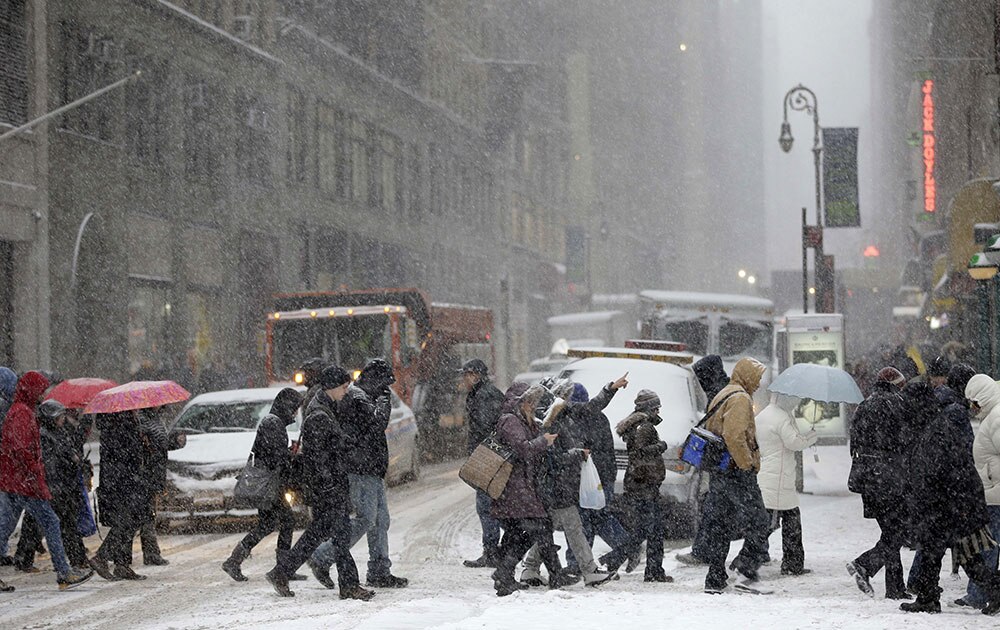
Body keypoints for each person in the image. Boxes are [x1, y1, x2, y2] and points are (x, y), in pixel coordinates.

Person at [265, 367, 372, 600]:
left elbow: (328, 446)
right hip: (328, 487)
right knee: (341, 537)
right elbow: (319, 457)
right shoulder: (319, 415)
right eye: (344, 387)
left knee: (317, 533)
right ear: (331, 387)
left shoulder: (323, 408)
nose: (347, 391)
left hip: (326, 485)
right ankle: (350, 586)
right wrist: (330, 484)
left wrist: (345, 443)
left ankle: (281, 572)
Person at [900, 374, 1000, 615]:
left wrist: (925, 500)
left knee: (939, 551)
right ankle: (994, 592)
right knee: (966, 555)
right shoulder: (935, 425)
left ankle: (928, 598)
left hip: (949, 503)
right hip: (956, 501)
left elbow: (935, 471)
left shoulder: (934, 430)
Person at [310, 358, 408, 588]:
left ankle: (379, 570)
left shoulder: (361, 396)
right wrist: (384, 401)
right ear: (374, 380)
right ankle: (322, 557)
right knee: (365, 520)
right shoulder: (356, 397)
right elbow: (377, 424)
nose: (387, 389)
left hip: (371, 468)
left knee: (380, 520)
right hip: (360, 468)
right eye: (384, 384)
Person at [0, 371, 93, 590]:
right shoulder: (22, 413)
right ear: (32, 390)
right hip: (23, 482)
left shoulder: (21, 411)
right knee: (51, 522)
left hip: (16, 481)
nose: (44, 393)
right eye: (41, 390)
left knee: (6, 527)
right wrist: (35, 475)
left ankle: (64, 571)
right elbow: (21, 450)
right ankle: (63, 572)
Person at [519, 387, 615, 588]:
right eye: (564, 398)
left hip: (557, 487)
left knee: (546, 531)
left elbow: (591, 407)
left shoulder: (560, 418)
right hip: (557, 488)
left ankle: (530, 568)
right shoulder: (549, 426)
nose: (567, 402)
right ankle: (590, 571)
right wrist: (577, 454)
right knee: (574, 529)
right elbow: (552, 459)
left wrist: (610, 389)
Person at [490, 383, 577, 596]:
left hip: (523, 486)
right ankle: (505, 573)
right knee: (534, 529)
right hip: (514, 487)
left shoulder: (522, 420)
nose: (533, 405)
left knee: (518, 533)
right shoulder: (510, 421)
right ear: (521, 402)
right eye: (530, 401)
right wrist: (543, 442)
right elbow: (522, 449)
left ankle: (505, 575)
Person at [698, 357, 770, 593]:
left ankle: (715, 577)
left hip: (720, 471)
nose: (758, 384)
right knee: (759, 521)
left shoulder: (724, 393)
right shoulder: (739, 398)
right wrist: (747, 464)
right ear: (747, 375)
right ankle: (744, 571)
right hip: (736, 472)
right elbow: (734, 436)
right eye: (757, 378)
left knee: (721, 525)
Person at [222, 387, 304, 582]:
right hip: (270, 485)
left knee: (268, 524)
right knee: (286, 521)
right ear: (286, 406)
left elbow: (271, 452)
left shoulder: (273, 422)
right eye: (294, 408)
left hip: (271, 484)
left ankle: (235, 560)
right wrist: (293, 455)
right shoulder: (272, 424)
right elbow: (275, 457)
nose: (294, 413)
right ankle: (282, 568)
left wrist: (287, 452)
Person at [846, 367, 910, 599]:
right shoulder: (895, 404)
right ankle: (864, 564)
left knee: (891, 531)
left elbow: (854, 443)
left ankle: (895, 588)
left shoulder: (864, 406)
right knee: (898, 531)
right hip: (890, 478)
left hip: (868, 479)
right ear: (894, 384)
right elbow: (903, 441)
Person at [560, 376, 632, 575]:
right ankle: (626, 545)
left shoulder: (577, 417)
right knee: (599, 517)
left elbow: (581, 449)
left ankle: (576, 563)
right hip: (604, 477)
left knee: (582, 520)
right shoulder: (599, 417)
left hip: (588, 479)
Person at [603, 389, 674, 583]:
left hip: (639, 484)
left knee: (643, 529)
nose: (659, 411)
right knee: (654, 529)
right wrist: (662, 446)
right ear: (649, 408)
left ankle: (616, 560)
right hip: (644, 485)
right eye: (656, 407)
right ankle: (653, 571)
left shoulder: (638, 425)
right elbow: (640, 453)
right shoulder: (645, 427)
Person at [13, 400, 91, 571]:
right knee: (56, 524)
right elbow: (50, 464)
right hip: (53, 487)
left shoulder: (58, 432)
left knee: (49, 523)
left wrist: (76, 460)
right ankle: (72, 560)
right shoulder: (44, 436)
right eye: (60, 416)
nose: (63, 419)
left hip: (59, 486)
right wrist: (70, 462)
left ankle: (26, 558)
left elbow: (69, 449)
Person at [755, 392, 817, 575]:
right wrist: (811, 437)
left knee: (767, 522)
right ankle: (791, 564)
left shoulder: (765, 413)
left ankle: (753, 556)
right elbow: (793, 442)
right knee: (790, 521)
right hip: (780, 477)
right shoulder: (781, 417)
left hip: (769, 473)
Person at [677, 355, 730, 567]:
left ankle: (704, 553)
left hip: (719, 461)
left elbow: (721, 429)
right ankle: (706, 551)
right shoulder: (722, 389)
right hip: (720, 460)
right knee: (716, 507)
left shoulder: (719, 393)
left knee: (713, 508)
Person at [89, 409, 153, 580]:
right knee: (127, 521)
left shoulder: (121, 424)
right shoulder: (120, 426)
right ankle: (102, 557)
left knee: (130, 520)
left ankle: (122, 564)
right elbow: (124, 455)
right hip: (122, 482)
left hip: (121, 481)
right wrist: (139, 443)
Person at [458, 358, 505, 569]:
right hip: (490, 456)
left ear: (476, 375)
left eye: (466, 375)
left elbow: (486, 427)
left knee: (486, 506)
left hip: (489, 458)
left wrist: (479, 454)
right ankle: (496, 550)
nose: (464, 379)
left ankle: (493, 552)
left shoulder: (484, 396)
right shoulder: (482, 393)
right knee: (491, 505)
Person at [962, 373, 1000, 611]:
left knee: (986, 546)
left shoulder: (996, 419)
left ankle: (981, 594)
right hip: (992, 491)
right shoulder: (993, 416)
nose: (972, 408)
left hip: (995, 494)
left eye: (975, 402)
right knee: (988, 545)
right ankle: (980, 593)